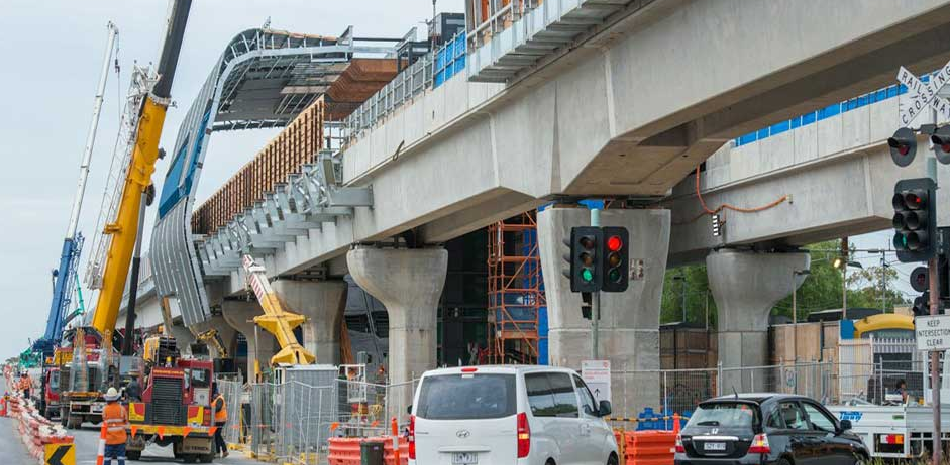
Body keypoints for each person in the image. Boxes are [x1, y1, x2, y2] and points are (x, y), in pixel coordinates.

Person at [102, 387, 128, 465]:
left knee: (107, 459)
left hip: (109, 440)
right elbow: (126, 421)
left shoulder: (105, 409)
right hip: (120, 440)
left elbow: (104, 421)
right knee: (121, 459)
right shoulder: (122, 409)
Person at [212, 384, 228, 458]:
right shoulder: (217, 399)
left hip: (220, 421)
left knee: (217, 436)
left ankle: (222, 451)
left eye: (214, 394)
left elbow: (218, 408)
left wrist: (211, 411)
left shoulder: (219, 399)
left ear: (216, 393)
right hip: (218, 420)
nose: (213, 396)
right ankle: (223, 451)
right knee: (217, 435)